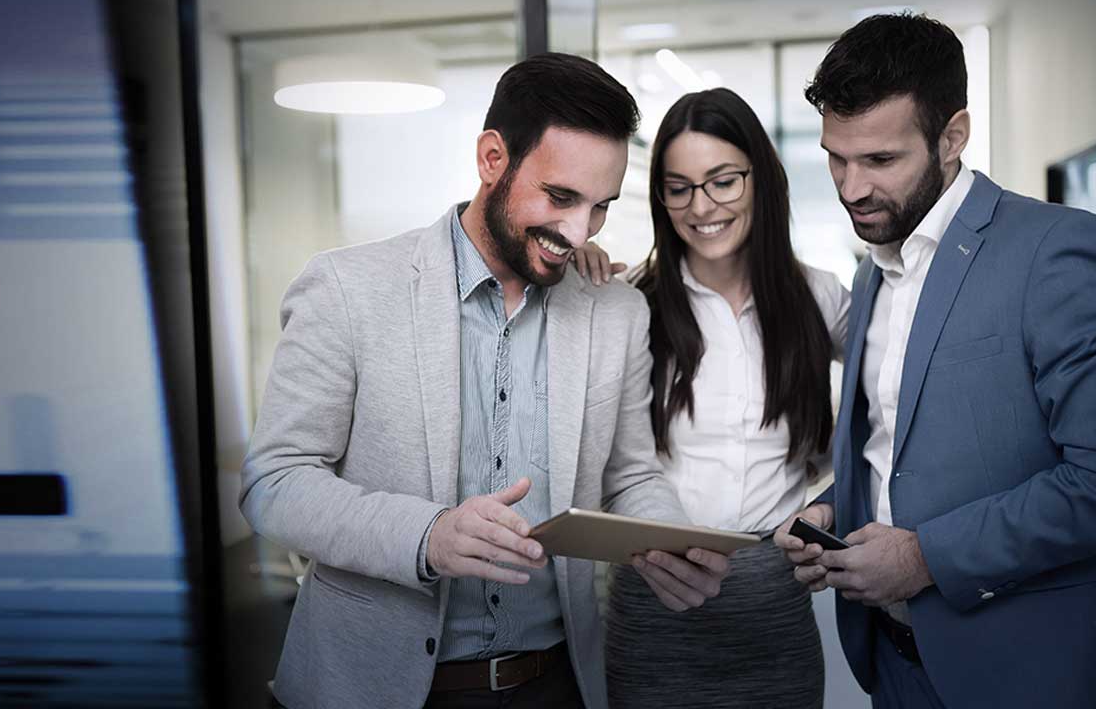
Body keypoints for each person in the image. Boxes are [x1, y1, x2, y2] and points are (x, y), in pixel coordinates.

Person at [240, 52, 731, 709]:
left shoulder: (615, 310)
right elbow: (275, 484)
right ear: (492, 159)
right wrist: (427, 535)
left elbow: (631, 475)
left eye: (600, 207)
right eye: (560, 197)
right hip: (367, 688)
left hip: (555, 685)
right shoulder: (347, 289)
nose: (577, 231)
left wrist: (666, 539)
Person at [773, 13, 1096, 708]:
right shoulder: (874, 267)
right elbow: (893, 444)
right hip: (895, 666)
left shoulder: (1057, 251)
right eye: (836, 157)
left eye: (880, 160)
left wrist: (924, 557)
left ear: (953, 136)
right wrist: (828, 510)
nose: (850, 188)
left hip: (1032, 673)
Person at [592, 87, 848, 709]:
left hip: (774, 610)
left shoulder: (820, 298)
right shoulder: (630, 304)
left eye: (722, 181)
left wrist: (835, 508)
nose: (700, 206)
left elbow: (899, 416)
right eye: (678, 187)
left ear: (761, 177)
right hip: (654, 607)